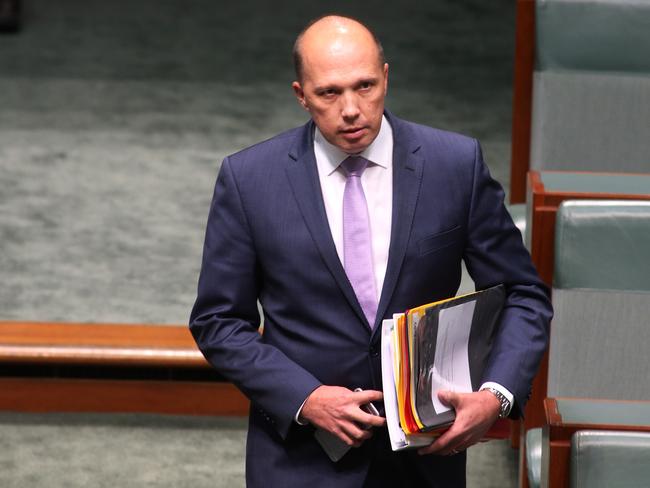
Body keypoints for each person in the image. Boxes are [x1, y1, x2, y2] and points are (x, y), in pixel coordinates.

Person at [190, 15, 552, 488]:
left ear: (386, 76)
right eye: (329, 93)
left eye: (365, 86)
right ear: (301, 94)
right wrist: (307, 398)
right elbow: (218, 321)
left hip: (426, 456)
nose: (351, 109)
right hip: (301, 458)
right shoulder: (250, 180)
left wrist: (496, 395)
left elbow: (523, 294)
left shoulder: (454, 166)